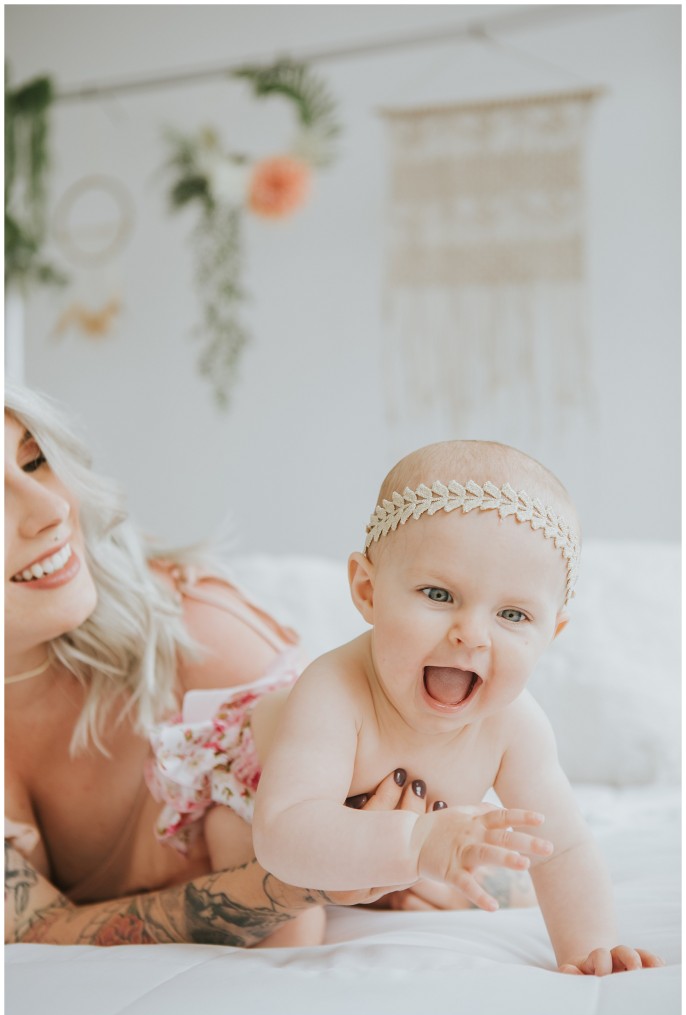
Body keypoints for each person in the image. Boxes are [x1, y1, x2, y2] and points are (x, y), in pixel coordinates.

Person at [152, 439, 665, 974]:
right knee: (295, 935)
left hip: (384, 835)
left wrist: (590, 949)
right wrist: (415, 840)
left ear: (550, 635)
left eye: (513, 615)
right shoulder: (333, 689)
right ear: (368, 590)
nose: (472, 634)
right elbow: (284, 832)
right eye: (439, 595)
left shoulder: (516, 726)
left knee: (474, 873)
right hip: (252, 807)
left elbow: (563, 848)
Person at [4, 382, 451, 948]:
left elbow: (467, 820)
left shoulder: (193, 636)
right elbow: (34, 925)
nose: (52, 510)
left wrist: (434, 871)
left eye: (35, 461)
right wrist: (293, 888)